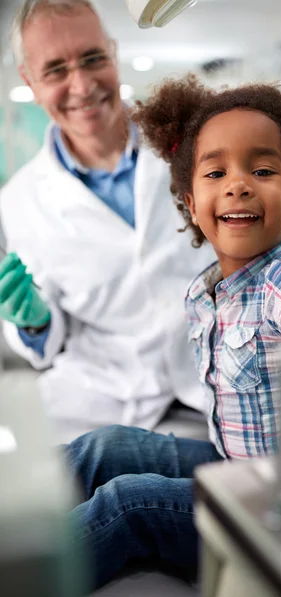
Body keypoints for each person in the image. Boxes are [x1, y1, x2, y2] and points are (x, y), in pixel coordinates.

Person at [63, 77, 281, 590]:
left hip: (274, 500)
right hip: (230, 460)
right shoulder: (209, 288)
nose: (238, 183)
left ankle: (23, 569)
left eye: (262, 170)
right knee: (104, 445)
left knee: (128, 504)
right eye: (216, 171)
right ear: (191, 204)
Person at [0, 0, 216, 441]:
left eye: (93, 59)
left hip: (214, 381)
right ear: (30, 82)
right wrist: (35, 321)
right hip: (100, 398)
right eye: (56, 70)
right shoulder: (17, 201)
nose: (81, 85)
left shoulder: (191, 139)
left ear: (114, 53)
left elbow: (280, 205)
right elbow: (49, 338)